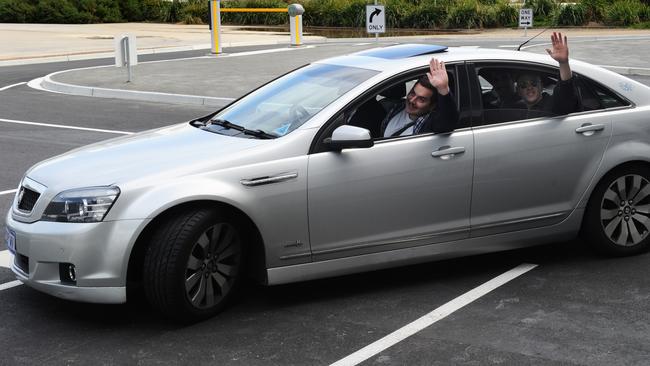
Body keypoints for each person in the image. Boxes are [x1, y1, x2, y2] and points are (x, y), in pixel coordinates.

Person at [379, 58, 458, 137]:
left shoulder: (428, 123)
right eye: (413, 93)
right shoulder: (397, 107)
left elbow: (447, 122)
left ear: (432, 106)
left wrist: (443, 89)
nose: (412, 100)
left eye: (421, 99)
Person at [513, 32, 579, 115]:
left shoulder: (552, 105)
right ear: (518, 91)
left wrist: (563, 63)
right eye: (523, 85)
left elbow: (565, 90)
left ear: (541, 86)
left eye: (533, 83)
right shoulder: (515, 109)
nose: (529, 87)